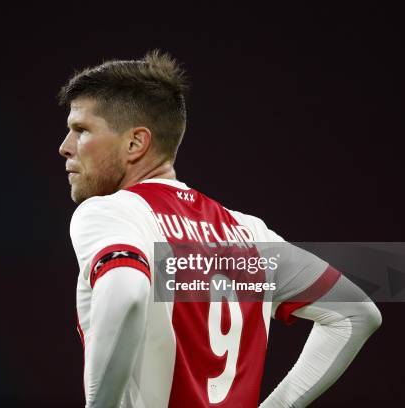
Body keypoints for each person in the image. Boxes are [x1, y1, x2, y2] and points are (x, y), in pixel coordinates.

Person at [58, 50, 381, 408]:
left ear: (136, 143)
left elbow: (127, 291)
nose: (65, 147)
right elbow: (355, 312)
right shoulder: (249, 233)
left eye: (81, 130)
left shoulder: (111, 214)